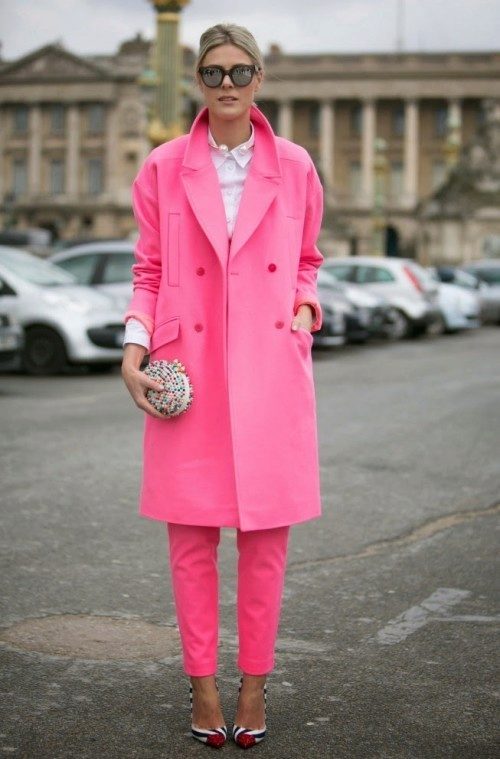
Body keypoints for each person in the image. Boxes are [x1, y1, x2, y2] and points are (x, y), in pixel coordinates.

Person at [121, 22, 324, 750]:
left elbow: (307, 259)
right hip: (191, 367)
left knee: (265, 544)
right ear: (198, 81)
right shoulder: (164, 165)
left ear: (259, 78)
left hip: (269, 364)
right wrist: (133, 347)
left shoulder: (295, 165)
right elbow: (148, 269)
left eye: (240, 71)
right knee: (190, 542)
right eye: (213, 73)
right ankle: (203, 685)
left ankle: (254, 685)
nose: (227, 84)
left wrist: (304, 310)